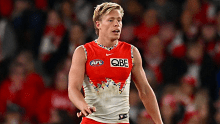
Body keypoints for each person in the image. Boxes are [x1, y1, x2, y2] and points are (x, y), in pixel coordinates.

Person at [68, 2, 163, 124]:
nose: (116, 24)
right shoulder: (83, 52)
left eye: (119, 20)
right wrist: (83, 105)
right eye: (111, 20)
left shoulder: (132, 52)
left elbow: (145, 91)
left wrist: (159, 123)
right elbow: (73, 89)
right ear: (98, 24)